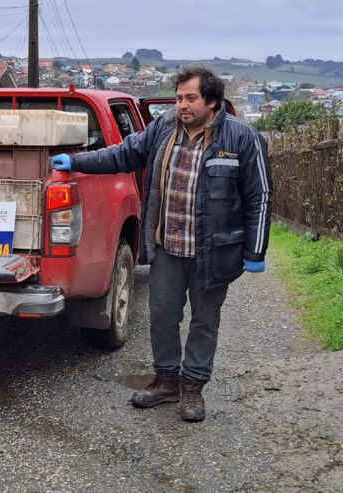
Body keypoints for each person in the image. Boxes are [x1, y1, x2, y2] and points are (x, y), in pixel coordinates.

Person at [50, 67, 272, 422]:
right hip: (168, 246)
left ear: (212, 101)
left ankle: (193, 388)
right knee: (163, 317)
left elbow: (259, 196)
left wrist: (255, 250)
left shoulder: (242, 138)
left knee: (204, 320)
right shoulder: (165, 128)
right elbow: (123, 154)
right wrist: (76, 162)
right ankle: (167, 381)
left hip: (213, 252)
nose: (182, 105)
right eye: (179, 97)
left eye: (190, 98)